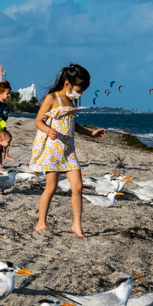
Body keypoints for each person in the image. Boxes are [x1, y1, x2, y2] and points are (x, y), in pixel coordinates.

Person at [31, 64, 106, 237]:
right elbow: (38, 121)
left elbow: (73, 124)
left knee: (78, 186)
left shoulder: (72, 101)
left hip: (69, 151)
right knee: (51, 187)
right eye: (79, 90)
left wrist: (90, 133)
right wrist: (48, 130)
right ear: (67, 84)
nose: (80, 94)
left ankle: (76, 225)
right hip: (52, 151)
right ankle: (41, 223)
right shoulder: (52, 98)